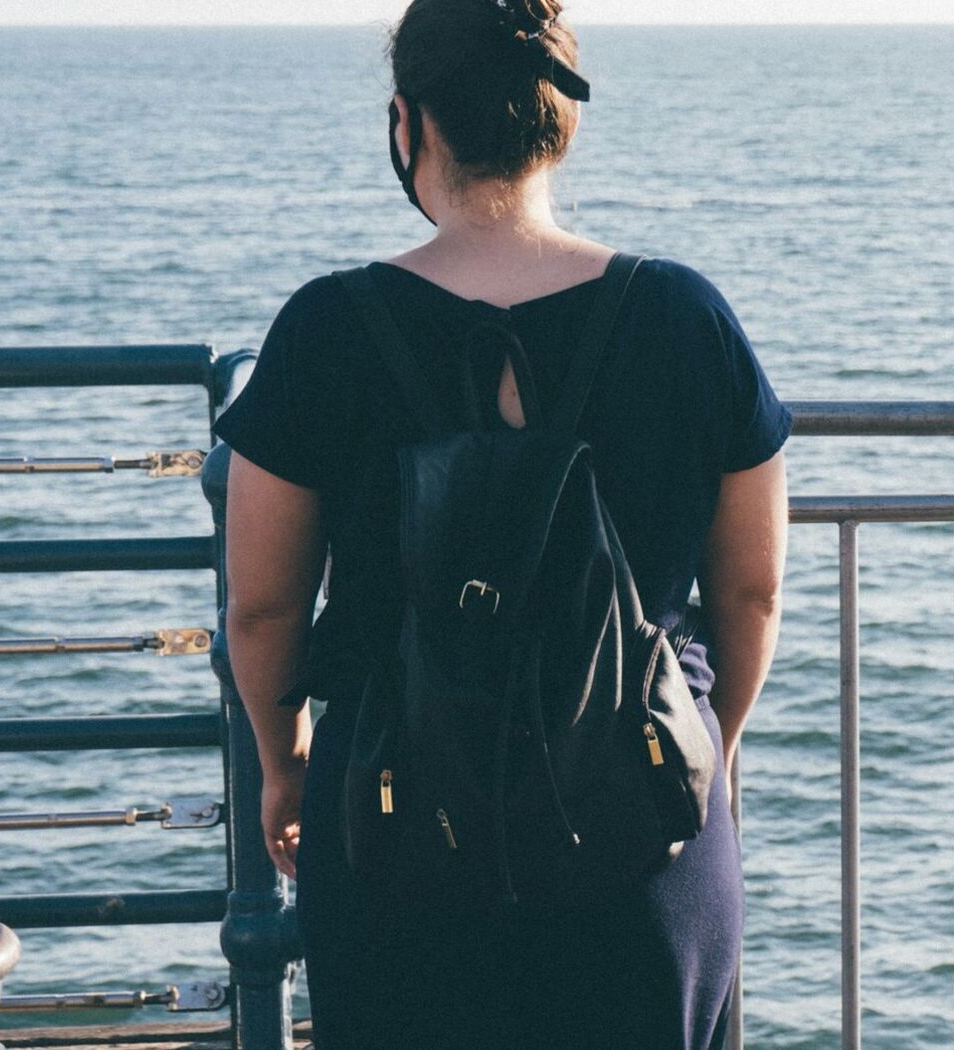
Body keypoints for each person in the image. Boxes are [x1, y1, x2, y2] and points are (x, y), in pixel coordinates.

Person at [213, 1, 790, 1045]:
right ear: (559, 124)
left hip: (393, 824)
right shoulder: (685, 319)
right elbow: (751, 589)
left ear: (411, 124)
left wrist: (285, 764)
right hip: (640, 823)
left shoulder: (326, 332)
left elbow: (262, 608)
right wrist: (708, 739)